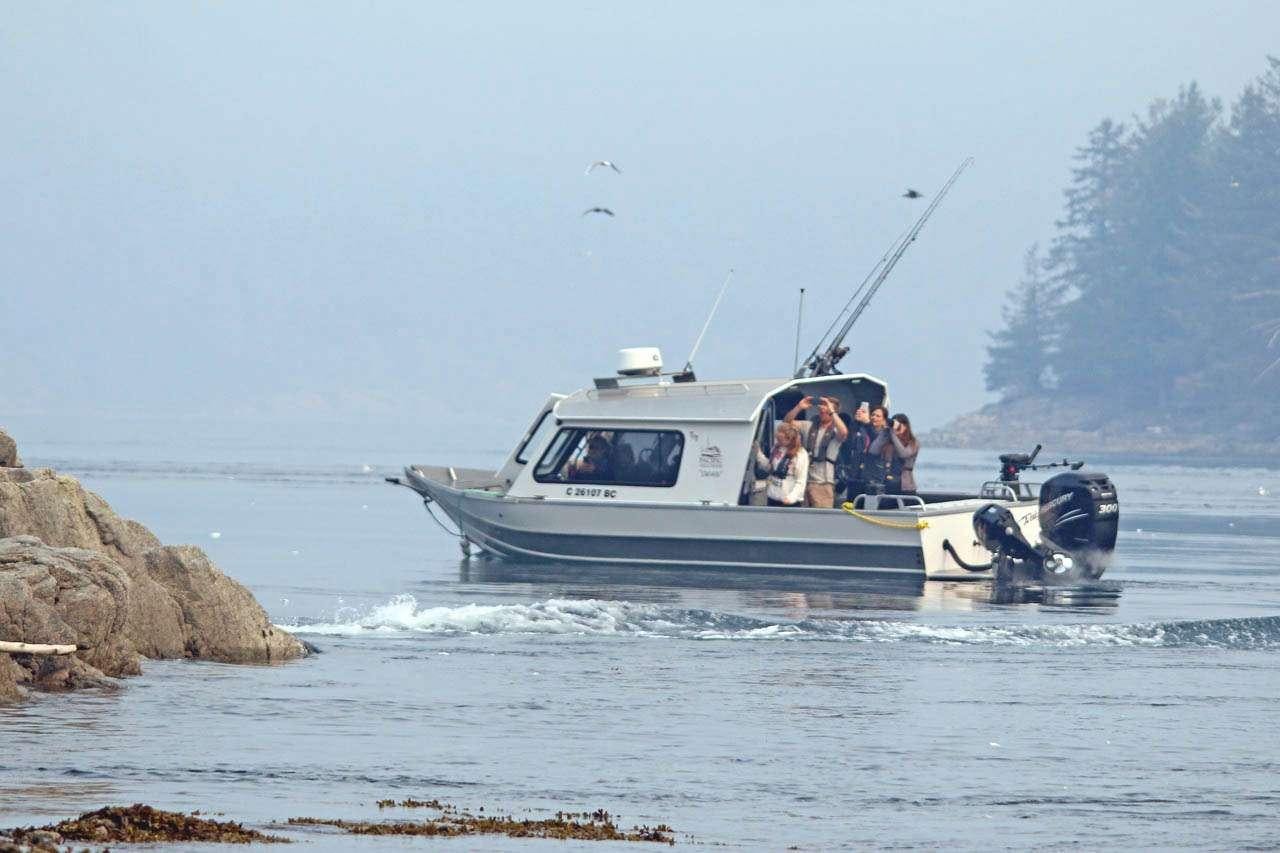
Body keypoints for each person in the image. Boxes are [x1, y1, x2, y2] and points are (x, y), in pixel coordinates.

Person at [783, 394, 847, 508]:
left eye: (826, 407)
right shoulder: (809, 426)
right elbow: (787, 423)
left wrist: (832, 412)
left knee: (822, 518)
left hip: (823, 483)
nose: (823, 409)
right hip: (803, 480)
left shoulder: (836, 430)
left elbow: (844, 432)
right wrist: (799, 407)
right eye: (821, 407)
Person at [753, 422, 808, 507]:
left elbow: (801, 480)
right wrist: (758, 453)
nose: (778, 442)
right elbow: (770, 467)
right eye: (777, 439)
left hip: (789, 500)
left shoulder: (801, 454)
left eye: (781, 440)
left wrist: (791, 497)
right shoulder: (777, 448)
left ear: (790, 439)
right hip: (773, 496)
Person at [836, 402, 877, 502]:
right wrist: (856, 421)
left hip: (869, 478)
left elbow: (876, 441)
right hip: (853, 477)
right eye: (859, 411)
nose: (861, 413)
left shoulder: (877, 430)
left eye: (864, 412)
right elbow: (848, 442)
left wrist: (867, 422)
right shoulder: (856, 429)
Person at [873, 413, 919, 495]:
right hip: (888, 484)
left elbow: (903, 454)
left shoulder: (913, 442)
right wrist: (885, 432)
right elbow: (873, 450)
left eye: (899, 425)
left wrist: (893, 434)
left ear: (906, 426)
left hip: (906, 486)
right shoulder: (889, 443)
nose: (896, 428)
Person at [865, 406, 893, 493]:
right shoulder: (866, 430)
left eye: (878, 416)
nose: (874, 418)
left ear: (884, 420)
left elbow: (874, 449)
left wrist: (867, 423)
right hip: (865, 473)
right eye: (873, 415)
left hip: (878, 475)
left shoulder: (886, 434)